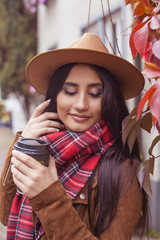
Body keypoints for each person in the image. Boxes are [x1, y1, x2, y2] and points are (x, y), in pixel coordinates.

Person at [0, 33, 148, 240]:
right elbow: (5, 214)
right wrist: (23, 144)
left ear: (109, 100)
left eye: (95, 93)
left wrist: (48, 196)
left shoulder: (123, 171)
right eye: (70, 91)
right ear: (55, 95)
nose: (80, 105)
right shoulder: (43, 148)